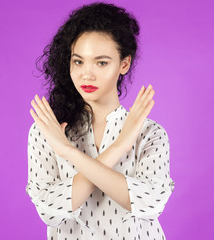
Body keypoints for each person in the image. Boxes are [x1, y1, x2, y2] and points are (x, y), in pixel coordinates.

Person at [26, 2, 175, 239]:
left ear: (124, 64)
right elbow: (50, 211)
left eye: (102, 62)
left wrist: (68, 152)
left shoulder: (150, 133)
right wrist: (119, 147)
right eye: (78, 61)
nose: (87, 74)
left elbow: (148, 205)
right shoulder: (48, 131)